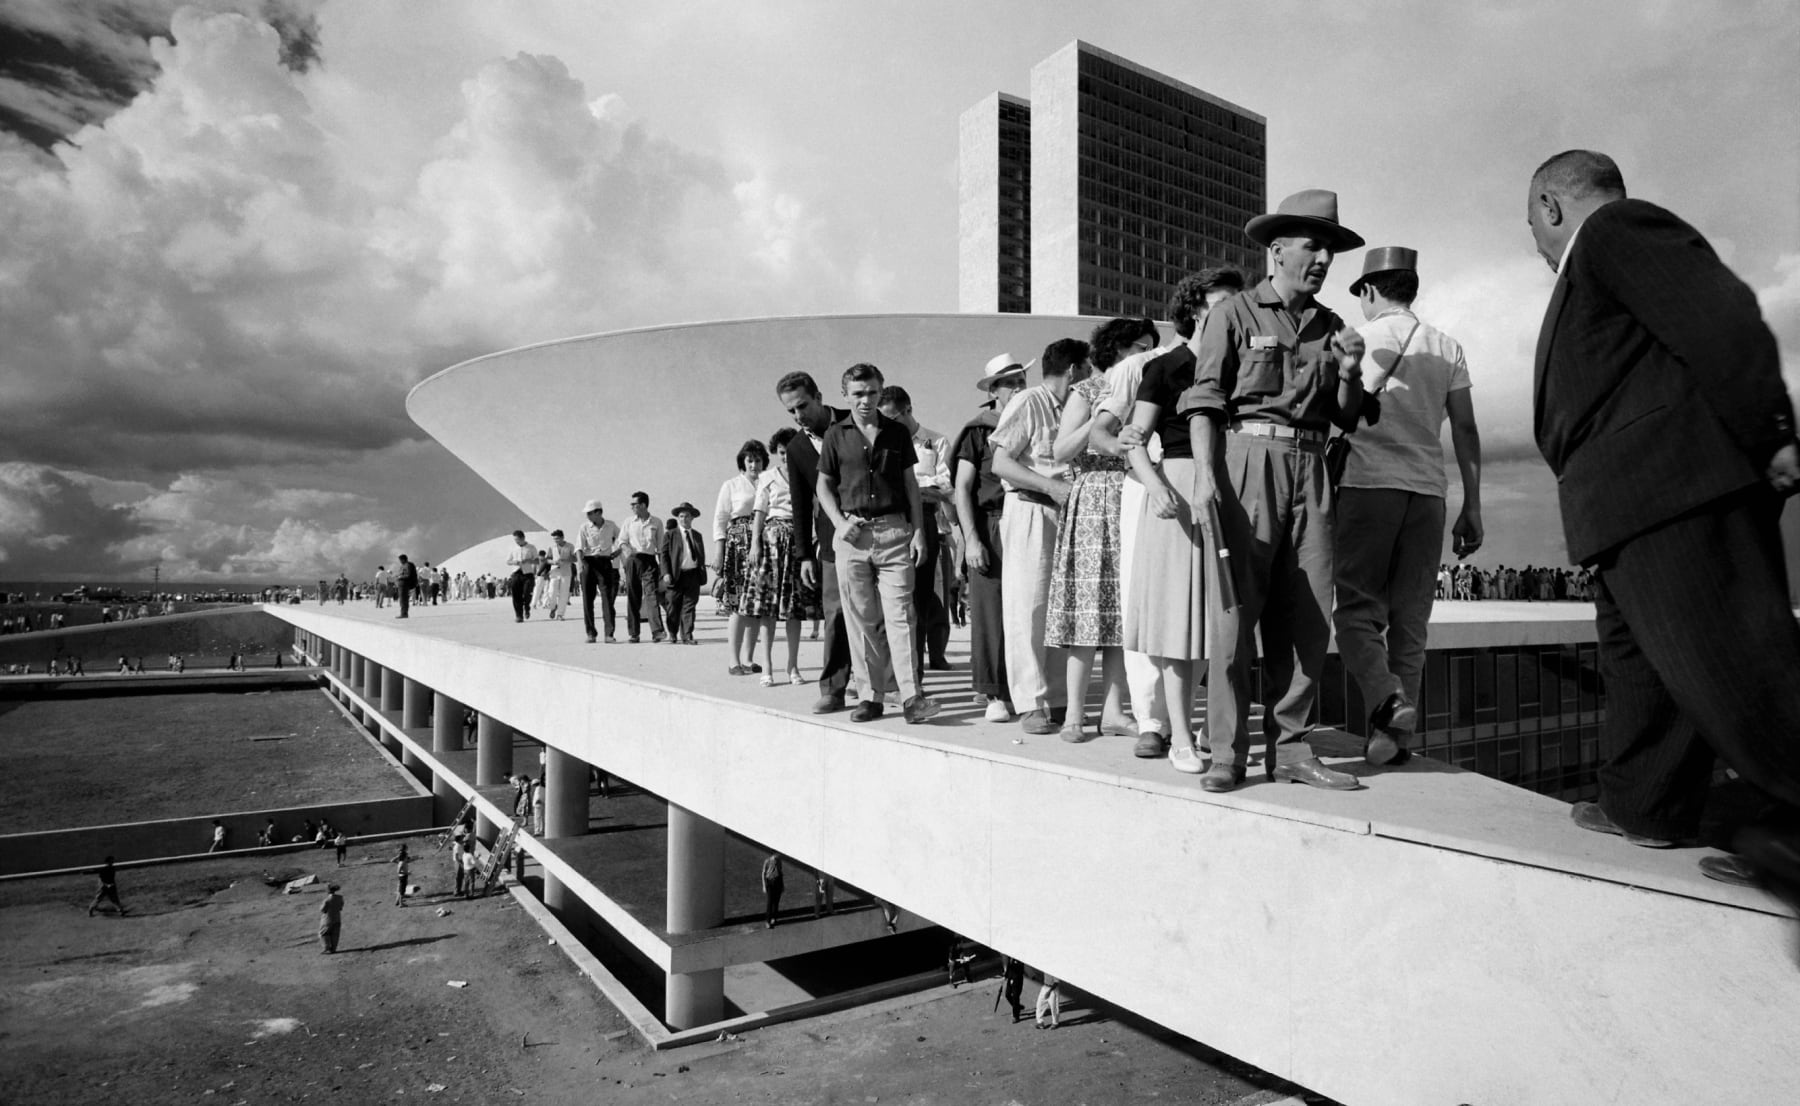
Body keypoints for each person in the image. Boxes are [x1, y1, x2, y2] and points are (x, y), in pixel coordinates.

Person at [1524, 150, 1800, 907]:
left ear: (1551, 206)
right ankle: (1643, 805)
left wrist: (1770, 430)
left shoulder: (1616, 229)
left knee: (1741, 666)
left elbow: (1719, 314)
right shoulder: (1598, 262)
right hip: (1625, 503)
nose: (1538, 246)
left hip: (1673, 489)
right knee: (1645, 666)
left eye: (1532, 228)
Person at [1179, 189, 1369, 793]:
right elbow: (1205, 402)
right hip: (1247, 462)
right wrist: (1205, 477)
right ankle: (1226, 752)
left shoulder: (1332, 326)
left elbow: (1346, 416)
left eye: (1330, 250)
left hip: (1312, 466)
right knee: (1235, 617)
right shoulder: (1233, 313)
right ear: (1277, 249)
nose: (1323, 259)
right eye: (1313, 246)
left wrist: (1350, 371)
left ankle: (1289, 750)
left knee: (1309, 616)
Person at [1333, 246, 1484, 766]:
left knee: (1356, 613)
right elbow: (1465, 428)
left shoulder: (1357, 340)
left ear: (1370, 290)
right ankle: (1394, 740)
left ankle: (1387, 698)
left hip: (1367, 486)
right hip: (1428, 493)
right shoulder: (1446, 346)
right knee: (1411, 622)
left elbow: (1336, 413)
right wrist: (1473, 505)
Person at [1099, 269, 1247, 758]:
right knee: (1177, 619)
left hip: (1236, 485)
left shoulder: (1244, 366)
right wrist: (1156, 484)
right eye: (1220, 304)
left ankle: (1213, 727)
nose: (1231, 314)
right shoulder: (1164, 368)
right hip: (1180, 489)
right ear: (1195, 310)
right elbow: (1132, 439)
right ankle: (1175, 732)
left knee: (1224, 617)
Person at [1047, 318, 1157, 742]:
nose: (1146, 355)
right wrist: (1095, 422)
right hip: (1093, 495)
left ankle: (1113, 712)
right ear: (1118, 349)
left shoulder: (1145, 391)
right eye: (1140, 347)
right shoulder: (1089, 390)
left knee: (1120, 612)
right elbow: (1059, 451)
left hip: (1131, 493)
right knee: (1086, 613)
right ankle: (1074, 715)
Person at [816, 362, 942, 725]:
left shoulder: (897, 433)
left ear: (880, 391)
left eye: (872, 392)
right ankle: (870, 697)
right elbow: (823, 485)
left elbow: (910, 485)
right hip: (852, 536)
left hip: (894, 533)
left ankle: (912, 697)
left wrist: (918, 531)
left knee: (901, 617)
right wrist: (839, 523)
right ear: (845, 396)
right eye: (858, 394)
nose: (866, 400)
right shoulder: (835, 435)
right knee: (861, 621)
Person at [990, 339, 1090, 735]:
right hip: (1031, 508)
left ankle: (1059, 698)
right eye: (1087, 369)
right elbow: (1001, 463)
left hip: (1066, 513)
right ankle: (1030, 702)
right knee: (1028, 608)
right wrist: (1050, 487)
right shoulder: (1028, 401)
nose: (1091, 376)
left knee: (1060, 611)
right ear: (1073, 370)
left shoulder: (1075, 408)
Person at [776, 371, 863, 713]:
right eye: (791, 411)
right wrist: (804, 556)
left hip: (874, 529)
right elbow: (800, 505)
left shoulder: (855, 420)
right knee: (836, 614)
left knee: (879, 612)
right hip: (830, 541)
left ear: (819, 397)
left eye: (803, 406)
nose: (798, 416)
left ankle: (884, 684)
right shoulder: (797, 448)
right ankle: (833, 689)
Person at [953, 355, 1028, 722]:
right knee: (989, 611)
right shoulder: (977, 431)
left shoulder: (1034, 421)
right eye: (1009, 382)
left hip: (1028, 517)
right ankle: (993, 691)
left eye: (1021, 380)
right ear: (993, 391)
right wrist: (971, 539)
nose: (1017, 387)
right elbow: (962, 488)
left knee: (1027, 609)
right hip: (990, 523)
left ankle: (1023, 689)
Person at [877, 385, 954, 673]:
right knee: (894, 598)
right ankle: (895, 671)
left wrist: (911, 492)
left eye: (891, 418)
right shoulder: (883, 444)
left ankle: (918, 670)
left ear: (908, 410)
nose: (886, 425)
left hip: (927, 523)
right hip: (892, 522)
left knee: (924, 596)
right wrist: (920, 488)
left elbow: (944, 487)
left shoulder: (936, 442)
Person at [745, 427, 817, 685]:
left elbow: (815, 511)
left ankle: (793, 666)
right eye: (782, 453)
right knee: (768, 609)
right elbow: (760, 512)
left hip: (798, 543)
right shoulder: (767, 477)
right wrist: (755, 544)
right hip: (772, 543)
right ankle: (767, 667)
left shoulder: (807, 474)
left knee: (794, 610)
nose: (786, 457)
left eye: (790, 452)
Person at [715, 440, 769, 671]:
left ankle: (748, 658)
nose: (754, 465)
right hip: (737, 546)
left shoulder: (768, 483)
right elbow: (720, 519)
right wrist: (719, 552)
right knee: (737, 605)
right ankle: (733, 661)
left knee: (756, 605)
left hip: (763, 544)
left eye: (758, 460)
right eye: (750, 460)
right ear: (743, 462)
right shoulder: (731, 485)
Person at [620, 492, 667, 643]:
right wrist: (627, 550)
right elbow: (622, 541)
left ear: (644, 505)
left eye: (634, 504)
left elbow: (660, 548)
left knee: (652, 595)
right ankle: (634, 633)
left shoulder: (657, 522)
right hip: (633, 561)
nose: (632, 507)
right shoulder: (628, 522)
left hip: (649, 561)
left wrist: (663, 570)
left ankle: (657, 631)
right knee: (633, 596)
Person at [661, 503, 708, 644]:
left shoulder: (697, 536)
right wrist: (666, 573)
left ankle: (687, 635)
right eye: (681, 516)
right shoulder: (670, 535)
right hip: (675, 575)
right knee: (673, 606)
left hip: (693, 575)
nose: (684, 519)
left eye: (687, 516)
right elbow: (664, 555)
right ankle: (672, 633)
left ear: (692, 518)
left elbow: (701, 555)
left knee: (689, 606)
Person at [577, 499, 622, 643]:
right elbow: (579, 548)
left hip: (605, 563)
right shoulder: (584, 527)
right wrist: (580, 565)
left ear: (599, 512)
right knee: (587, 600)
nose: (588, 516)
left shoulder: (611, 525)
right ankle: (591, 633)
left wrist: (618, 552)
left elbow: (623, 539)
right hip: (588, 563)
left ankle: (609, 634)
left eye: (590, 513)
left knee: (607, 600)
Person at [504, 531, 538, 623]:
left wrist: (528, 561)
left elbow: (537, 561)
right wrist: (514, 562)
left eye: (517, 539)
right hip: (516, 573)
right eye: (515, 540)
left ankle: (527, 607)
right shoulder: (513, 548)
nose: (516, 541)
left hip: (528, 573)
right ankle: (519, 615)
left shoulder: (531, 547)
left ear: (523, 538)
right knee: (516, 595)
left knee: (527, 593)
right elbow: (507, 561)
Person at [544, 529, 576, 620]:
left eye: (557, 538)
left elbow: (575, 558)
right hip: (554, 572)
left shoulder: (570, 546)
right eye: (554, 539)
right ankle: (553, 607)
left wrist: (565, 560)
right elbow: (547, 559)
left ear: (562, 537)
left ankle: (560, 614)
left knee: (564, 594)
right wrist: (553, 562)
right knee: (551, 592)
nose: (556, 541)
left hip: (566, 572)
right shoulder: (551, 547)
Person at [761, 852, 784, 928]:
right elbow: (763, 873)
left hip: (778, 881)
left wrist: (782, 885)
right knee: (770, 902)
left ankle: (774, 918)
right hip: (770, 882)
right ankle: (768, 921)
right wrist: (764, 886)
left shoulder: (779, 861)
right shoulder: (767, 861)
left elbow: (780, 872)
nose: (779, 855)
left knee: (776, 902)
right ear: (774, 854)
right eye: (778, 854)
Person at [318, 883, 343, 953]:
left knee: (323, 933)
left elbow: (323, 910)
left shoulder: (327, 900)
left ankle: (326, 947)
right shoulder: (340, 898)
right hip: (337, 918)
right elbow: (340, 908)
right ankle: (333, 949)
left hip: (327, 919)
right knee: (335, 934)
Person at [1001, 955, 1026, 1022]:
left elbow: (1020, 970)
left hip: (1017, 979)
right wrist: (1006, 975)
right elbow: (1009, 966)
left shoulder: (1020, 959)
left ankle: (1016, 1016)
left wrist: (1013, 978)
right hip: (1010, 978)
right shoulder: (1010, 958)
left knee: (1015, 997)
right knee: (1007, 995)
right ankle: (1017, 1007)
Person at [396, 554, 419, 618]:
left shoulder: (407, 565)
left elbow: (408, 575)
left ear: (403, 559)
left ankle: (404, 614)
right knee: (403, 599)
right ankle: (403, 613)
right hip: (403, 583)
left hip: (404, 583)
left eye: (400, 560)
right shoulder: (406, 565)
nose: (400, 561)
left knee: (403, 599)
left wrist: (400, 577)